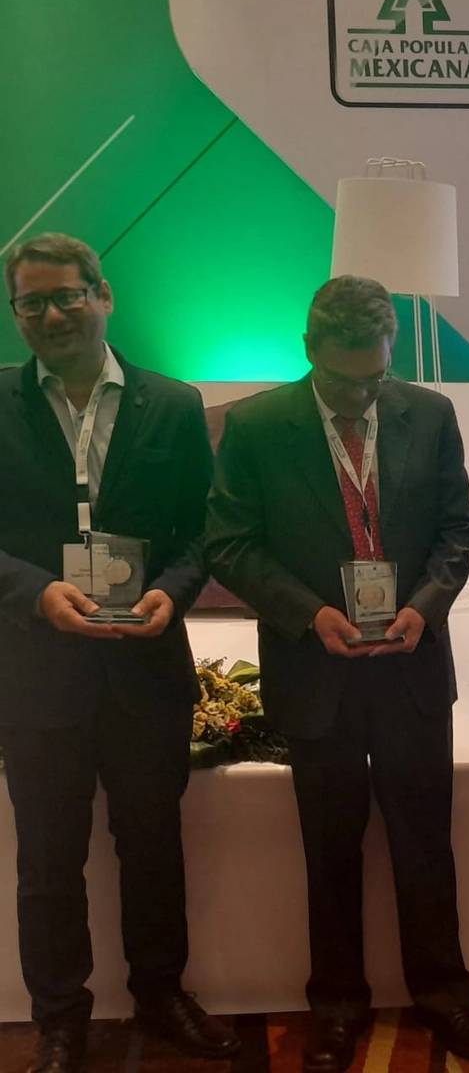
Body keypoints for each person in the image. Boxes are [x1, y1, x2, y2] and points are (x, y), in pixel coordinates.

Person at [203, 275, 469, 1070]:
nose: (361, 395)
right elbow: (228, 543)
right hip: (315, 670)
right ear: (309, 350)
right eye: (342, 379)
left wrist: (425, 606)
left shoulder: (429, 414)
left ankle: (445, 996)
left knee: (425, 845)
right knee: (329, 850)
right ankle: (335, 1006)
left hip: (409, 666)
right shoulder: (258, 425)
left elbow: (457, 530)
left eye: (375, 376)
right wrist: (309, 614)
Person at [0, 233, 239, 1073]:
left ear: (104, 296)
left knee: (152, 847)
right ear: (16, 314)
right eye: (31, 302)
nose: (52, 314)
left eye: (67, 295)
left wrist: (173, 590)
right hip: (37, 674)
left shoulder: (172, 403)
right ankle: (60, 1021)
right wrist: (37, 592)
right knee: (48, 861)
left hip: (145, 667)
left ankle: (162, 995)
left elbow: (202, 528)